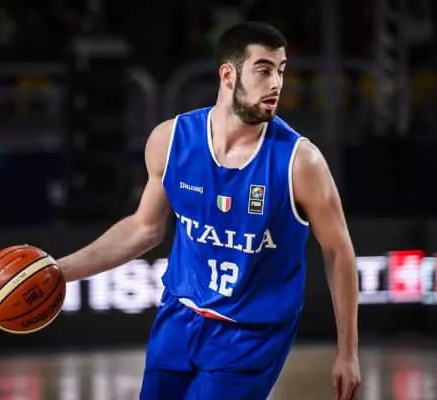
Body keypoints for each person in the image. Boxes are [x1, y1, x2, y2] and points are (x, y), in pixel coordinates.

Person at [59, 21, 361, 400]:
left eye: (281, 71)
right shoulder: (171, 140)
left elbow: (338, 250)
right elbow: (143, 229)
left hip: (251, 334)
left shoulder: (301, 163)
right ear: (228, 75)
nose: (276, 84)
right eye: (264, 70)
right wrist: (60, 272)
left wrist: (348, 351)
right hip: (178, 317)